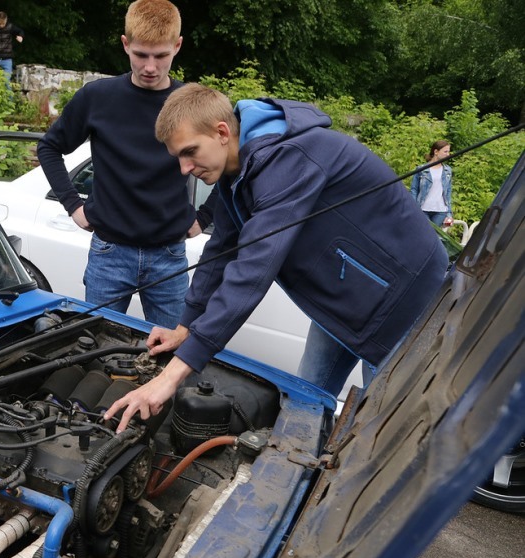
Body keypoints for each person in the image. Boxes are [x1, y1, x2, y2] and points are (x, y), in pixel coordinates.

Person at [103, 83, 449, 432]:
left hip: (402, 295)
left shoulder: (287, 161)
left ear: (222, 132)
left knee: (379, 427)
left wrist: (175, 374)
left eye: (190, 152)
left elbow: (252, 272)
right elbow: (222, 250)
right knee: (306, 401)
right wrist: (184, 328)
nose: (184, 168)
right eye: (178, 156)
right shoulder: (235, 171)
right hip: (348, 294)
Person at [37, 0, 210, 329]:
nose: (150, 67)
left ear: (177, 46)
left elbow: (233, 164)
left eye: (161, 56)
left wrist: (206, 217)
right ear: (125, 44)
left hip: (169, 257)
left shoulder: (191, 104)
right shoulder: (98, 97)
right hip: (109, 254)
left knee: (172, 359)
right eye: (140, 55)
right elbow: (49, 147)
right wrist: (74, 205)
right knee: (92, 350)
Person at [410, 140, 453, 227]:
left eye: (448, 152)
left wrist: (449, 214)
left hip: (441, 210)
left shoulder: (447, 170)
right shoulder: (421, 169)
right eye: (445, 151)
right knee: (424, 235)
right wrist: (414, 209)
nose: (448, 154)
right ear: (436, 151)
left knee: (434, 237)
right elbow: (414, 190)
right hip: (422, 209)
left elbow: (448, 192)